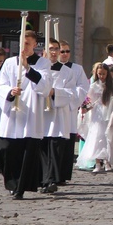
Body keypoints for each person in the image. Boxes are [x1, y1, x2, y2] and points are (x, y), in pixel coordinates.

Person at [0, 30, 52, 199]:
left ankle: (20, 188)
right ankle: (12, 182)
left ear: (35, 45)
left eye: (27, 43)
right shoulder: (10, 62)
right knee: (6, 151)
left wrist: (27, 67)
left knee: (26, 153)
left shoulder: (43, 63)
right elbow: (0, 84)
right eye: (21, 43)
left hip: (30, 114)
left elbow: (45, 86)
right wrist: (10, 92)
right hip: (12, 113)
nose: (23, 46)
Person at [77, 63, 113, 172]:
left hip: (108, 114)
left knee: (107, 137)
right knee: (96, 138)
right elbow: (90, 101)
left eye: (104, 74)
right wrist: (86, 108)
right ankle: (98, 163)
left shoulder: (112, 86)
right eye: (99, 74)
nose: (101, 76)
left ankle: (107, 161)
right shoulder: (93, 86)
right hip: (96, 115)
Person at [40, 39, 75, 194]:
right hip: (40, 116)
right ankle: (42, 179)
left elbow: (70, 93)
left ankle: (52, 179)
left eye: (56, 49)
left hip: (57, 117)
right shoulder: (39, 70)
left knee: (55, 149)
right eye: (51, 49)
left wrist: (55, 93)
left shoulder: (67, 72)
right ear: (44, 52)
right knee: (41, 150)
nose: (54, 52)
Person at [58, 41, 90, 185]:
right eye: (62, 51)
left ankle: (63, 174)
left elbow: (83, 88)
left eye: (67, 51)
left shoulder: (77, 69)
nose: (64, 54)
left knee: (67, 144)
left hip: (69, 111)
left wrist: (70, 99)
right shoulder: (50, 67)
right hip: (53, 111)